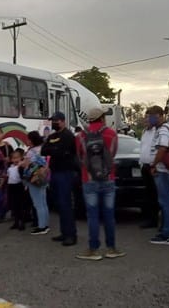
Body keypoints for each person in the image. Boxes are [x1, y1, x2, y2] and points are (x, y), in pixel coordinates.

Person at [75, 106, 125, 261]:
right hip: (108, 179)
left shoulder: (81, 136)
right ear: (102, 118)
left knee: (93, 216)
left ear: (89, 119)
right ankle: (111, 248)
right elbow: (113, 154)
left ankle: (93, 249)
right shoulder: (111, 134)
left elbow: (80, 158)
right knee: (109, 215)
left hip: (89, 180)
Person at [41, 111, 78, 246]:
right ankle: (64, 232)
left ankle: (71, 235)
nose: (54, 123)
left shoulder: (68, 135)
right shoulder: (53, 136)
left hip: (66, 173)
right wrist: (54, 149)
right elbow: (44, 150)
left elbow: (63, 151)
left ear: (62, 121)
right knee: (58, 205)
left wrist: (54, 149)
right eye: (52, 121)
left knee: (66, 204)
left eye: (56, 121)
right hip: (55, 173)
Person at [146, 105, 169, 245]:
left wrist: (154, 164)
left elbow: (162, 149)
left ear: (159, 115)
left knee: (166, 202)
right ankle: (168, 230)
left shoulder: (164, 130)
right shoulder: (160, 129)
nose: (149, 119)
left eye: (150, 116)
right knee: (165, 202)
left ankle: (168, 234)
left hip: (163, 171)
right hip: (162, 170)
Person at [22, 131, 50, 235]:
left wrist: (21, 163)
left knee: (38, 203)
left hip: (34, 179)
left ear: (31, 140)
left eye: (28, 139)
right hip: (43, 178)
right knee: (43, 202)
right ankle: (45, 224)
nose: (27, 140)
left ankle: (41, 226)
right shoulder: (43, 149)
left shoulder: (31, 152)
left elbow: (26, 165)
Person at [139, 111, 160, 229]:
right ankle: (149, 219)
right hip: (145, 166)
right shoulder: (144, 132)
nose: (146, 120)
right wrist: (141, 163)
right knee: (148, 194)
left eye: (148, 118)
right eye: (145, 118)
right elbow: (142, 147)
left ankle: (154, 219)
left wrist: (154, 164)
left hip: (153, 167)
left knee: (155, 194)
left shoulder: (157, 131)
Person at [6, 150, 27, 231]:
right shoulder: (10, 167)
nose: (15, 160)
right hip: (11, 187)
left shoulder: (20, 166)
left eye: (17, 158)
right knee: (14, 205)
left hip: (19, 187)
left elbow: (23, 177)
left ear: (21, 158)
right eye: (13, 158)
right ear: (11, 159)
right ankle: (16, 222)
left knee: (21, 205)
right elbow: (8, 177)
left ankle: (22, 222)